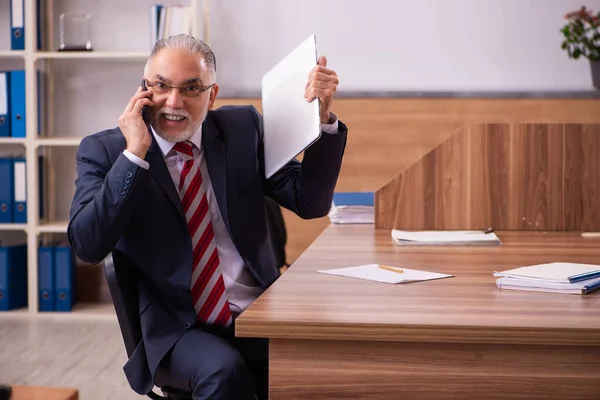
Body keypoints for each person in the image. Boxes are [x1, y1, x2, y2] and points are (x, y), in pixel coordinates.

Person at [67, 34, 347, 400]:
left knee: (332, 358)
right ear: (144, 90)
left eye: (191, 88)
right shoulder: (104, 151)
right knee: (223, 371)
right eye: (162, 86)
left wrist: (322, 119)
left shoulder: (242, 129)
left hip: (256, 310)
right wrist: (134, 155)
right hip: (175, 327)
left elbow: (309, 202)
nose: (173, 102)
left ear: (212, 96)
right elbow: (87, 246)